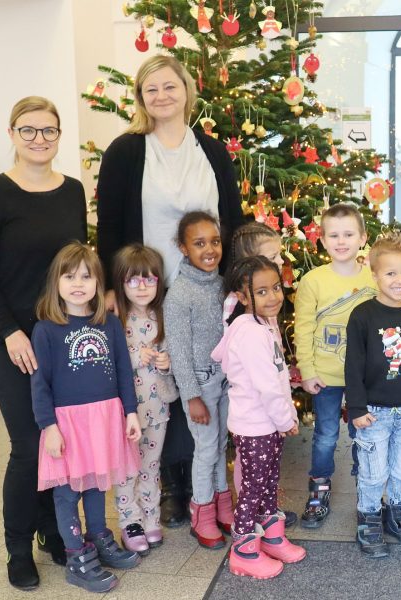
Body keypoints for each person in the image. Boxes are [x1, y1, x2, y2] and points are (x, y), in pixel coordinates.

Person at [96, 55, 245, 527]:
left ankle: (194, 480)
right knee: (156, 384)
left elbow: (233, 221)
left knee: (199, 376)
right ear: (141, 98)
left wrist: (237, 283)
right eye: (150, 89)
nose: (161, 96)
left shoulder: (213, 151)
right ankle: (171, 486)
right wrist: (110, 289)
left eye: (169, 86)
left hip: (207, 290)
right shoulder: (125, 151)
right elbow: (110, 227)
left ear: (186, 89)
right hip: (146, 290)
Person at [0, 96, 87, 590]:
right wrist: (11, 331)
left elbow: (76, 265)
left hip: (59, 337)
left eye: (49, 131)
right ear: (12, 134)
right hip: (10, 338)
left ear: (59, 135)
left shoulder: (73, 191)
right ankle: (18, 548)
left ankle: (52, 530)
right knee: (30, 443)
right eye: (29, 130)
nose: (40, 139)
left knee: (63, 442)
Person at [31, 242, 142, 593]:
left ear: (98, 283)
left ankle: (99, 537)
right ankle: (77, 555)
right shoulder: (46, 329)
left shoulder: (109, 323)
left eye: (86, 276)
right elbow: (40, 384)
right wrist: (48, 426)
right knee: (67, 494)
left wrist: (131, 412)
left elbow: (124, 371)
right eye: (69, 276)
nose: (78, 283)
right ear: (56, 283)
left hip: (104, 420)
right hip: (67, 426)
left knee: (97, 485)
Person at [211, 256, 306, 579]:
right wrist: (286, 420)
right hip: (256, 426)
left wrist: (283, 418)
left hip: (269, 424)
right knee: (253, 487)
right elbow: (267, 387)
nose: (274, 297)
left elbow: (278, 378)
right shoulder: (250, 333)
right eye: (262, 292)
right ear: (242, 296)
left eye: (276, 288)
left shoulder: (263, 324)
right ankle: (243, 549)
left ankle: (272, 535)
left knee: (267, 482)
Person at [346, 237, 401, 557]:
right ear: (374, 275)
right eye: (390, 274)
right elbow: (353, 365)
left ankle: (398, 516)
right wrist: (355, 407)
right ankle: (369, 518)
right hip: (373, 412)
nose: (400, 280)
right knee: (373, 471)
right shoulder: (363, 316)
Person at [295, 203, 377, 528]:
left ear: (362, 238)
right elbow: (303, 328)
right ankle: (319, 488)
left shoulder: (374, 277)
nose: (341, 241)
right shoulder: (313, 281)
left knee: (365, 434)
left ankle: (367, 491)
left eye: (348, 234)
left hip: (366, 377)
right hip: (326, 375)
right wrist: (308, 370)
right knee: (326, 434)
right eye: (333, 235)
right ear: (323, 240)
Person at [164, 211, 231, 549]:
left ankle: (222, 504)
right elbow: (178, 350)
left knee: (220, 445)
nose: (209, 249)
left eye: (215, 241)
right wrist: (191, 396)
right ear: (183, 248)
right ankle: (201, 514)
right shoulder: (179, 295)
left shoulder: (221, 284)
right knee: (205, 449)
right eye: (199, 243)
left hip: (225, 380)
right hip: (200, 386)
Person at [111, 245, 178, 555]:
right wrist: (138, 356)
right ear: (121, 283)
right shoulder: (115, 319)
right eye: (133, 281)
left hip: (158, 408)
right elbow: (109, 359)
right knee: (127, 468)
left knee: (151, 466)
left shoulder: (162, 316)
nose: (141, 288)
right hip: (127, 411)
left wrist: (167, 362)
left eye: (149, 280)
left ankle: (151, 516)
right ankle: (130, 521)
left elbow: (174, 354)